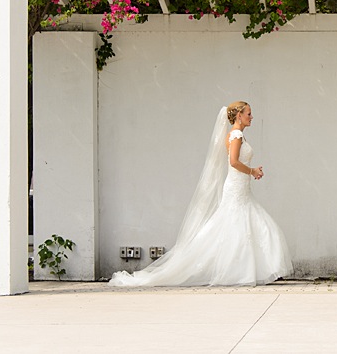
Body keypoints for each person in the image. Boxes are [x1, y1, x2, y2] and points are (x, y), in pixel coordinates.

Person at [110, 102, 292, 287]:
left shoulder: (239, 136)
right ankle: (237, 271)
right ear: (239, 116)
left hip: (241, 189)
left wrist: (253, 172)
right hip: (236, 189)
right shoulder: (236, 135)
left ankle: (244, 272)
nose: (251, 117)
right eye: (249, 113)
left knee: (248, 227)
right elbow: (234, 162)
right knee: (241, 227)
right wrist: (252, 171)